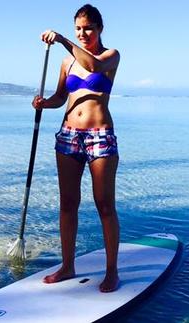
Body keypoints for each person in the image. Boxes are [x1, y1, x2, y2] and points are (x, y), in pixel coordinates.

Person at [32, 4, 121, 293]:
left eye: (88, 28)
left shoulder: (110, 56)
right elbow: (61, 97)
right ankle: (67, 266)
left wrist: (61, 40)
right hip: (68, 135)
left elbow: (94, 67)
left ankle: (111, 272)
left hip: (100, 135)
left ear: (100, 29)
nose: (83, 33)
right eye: (78, 29)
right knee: (68, 203)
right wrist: (44, 103)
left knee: (104, 204)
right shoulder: (67, 63)